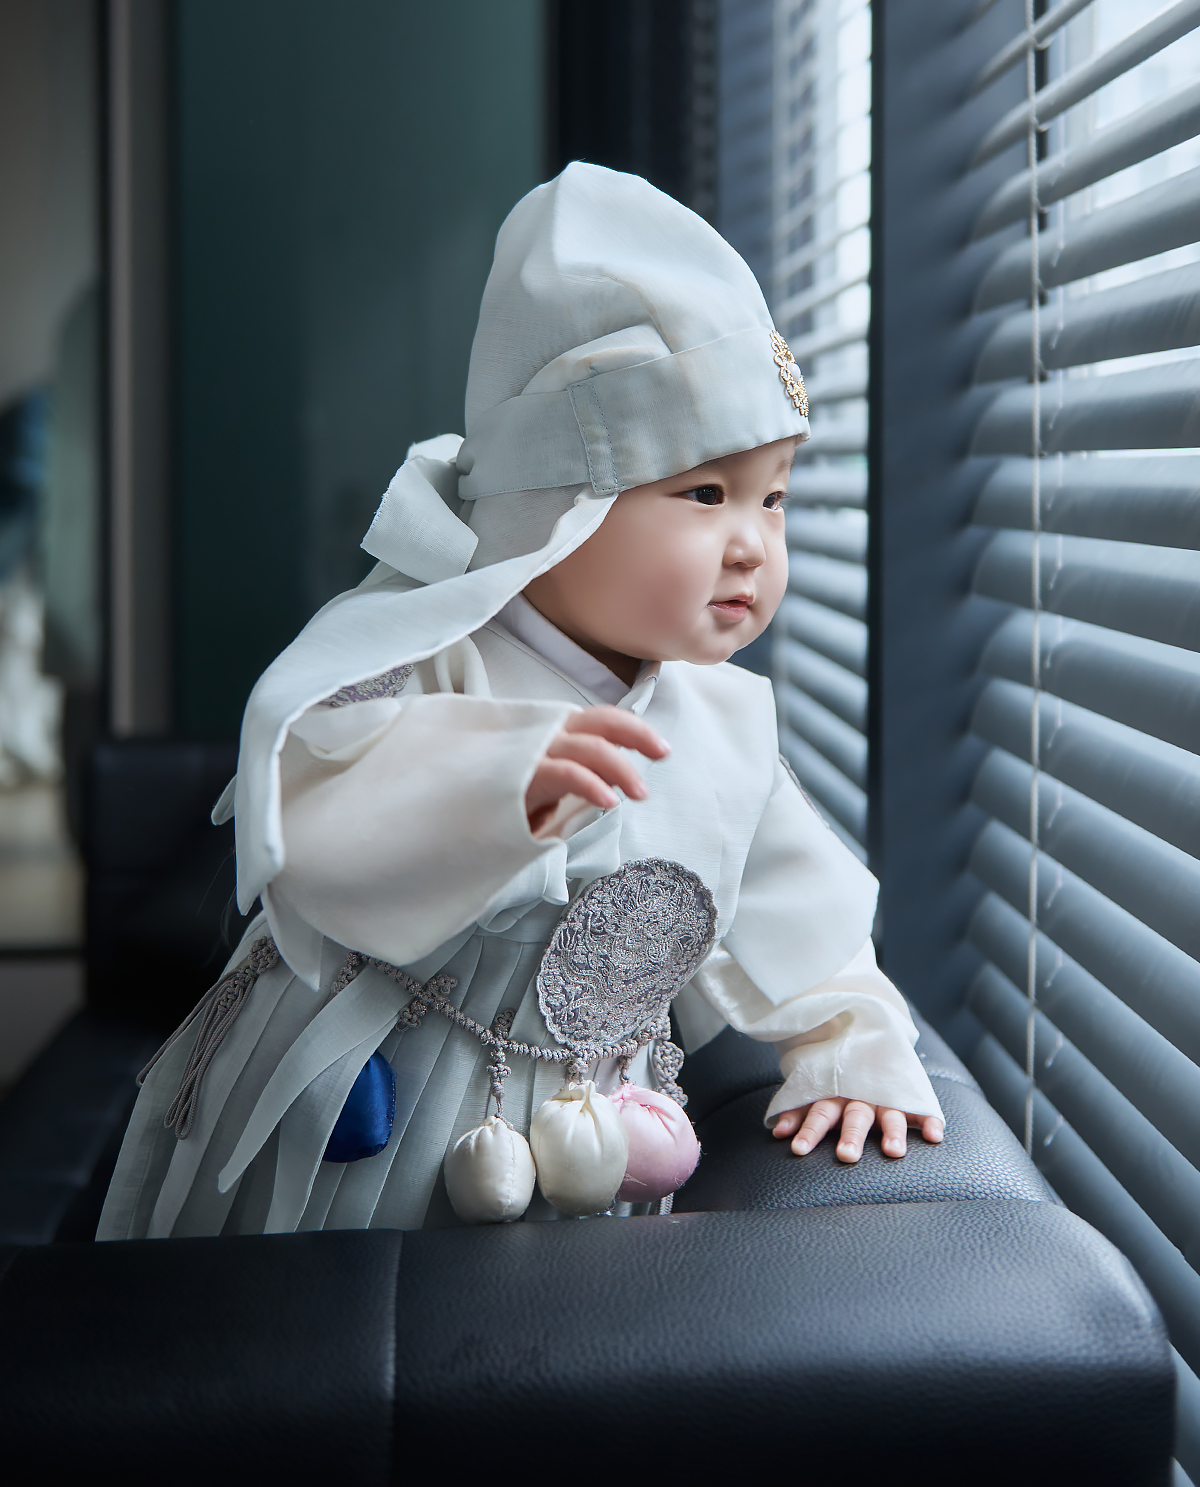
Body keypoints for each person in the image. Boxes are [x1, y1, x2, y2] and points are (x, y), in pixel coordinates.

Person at [99, 161, 942, 1242]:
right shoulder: (424, 657)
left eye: (772, 498)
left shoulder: (727, 726)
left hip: (593, 1133)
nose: (753, 545)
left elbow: (804, 919)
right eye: (704, 493)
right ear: (558, 503)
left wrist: (851, 1044)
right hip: (372, 1100)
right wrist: (496, 787)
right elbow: (315, 814)